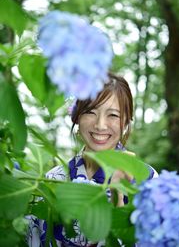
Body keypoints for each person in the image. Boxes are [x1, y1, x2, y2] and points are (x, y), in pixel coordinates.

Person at [27, 72, 158, 247]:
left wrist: (119, 201)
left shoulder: (147, 181)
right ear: (76, 117)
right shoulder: (52, 180)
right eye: (90, 112)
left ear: (126, 122)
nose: (100, 125)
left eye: (113, 115)